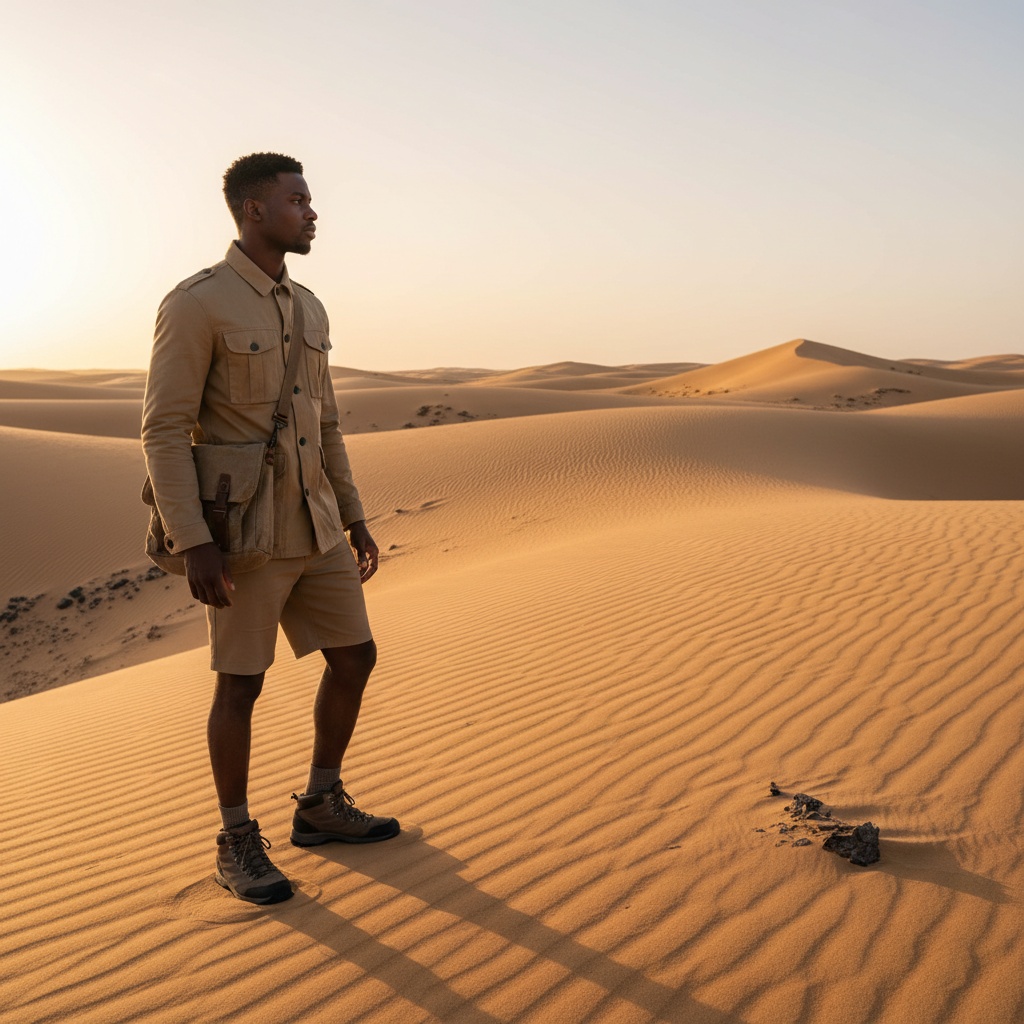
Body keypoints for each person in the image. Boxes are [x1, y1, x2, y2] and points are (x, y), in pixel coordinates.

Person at [142, 152, 399, 905]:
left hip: (314, 526)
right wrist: (193, 539)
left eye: (310, 200)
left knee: (356, 657)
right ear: (255, 211)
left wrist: (353, 515)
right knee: (240, 685)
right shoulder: (197, 303)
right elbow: (162, 429)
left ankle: (320, 804)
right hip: (242, 535)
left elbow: (327, 425)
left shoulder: (311, 307)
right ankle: (235, 838)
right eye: (298, 200)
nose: (312, 212)